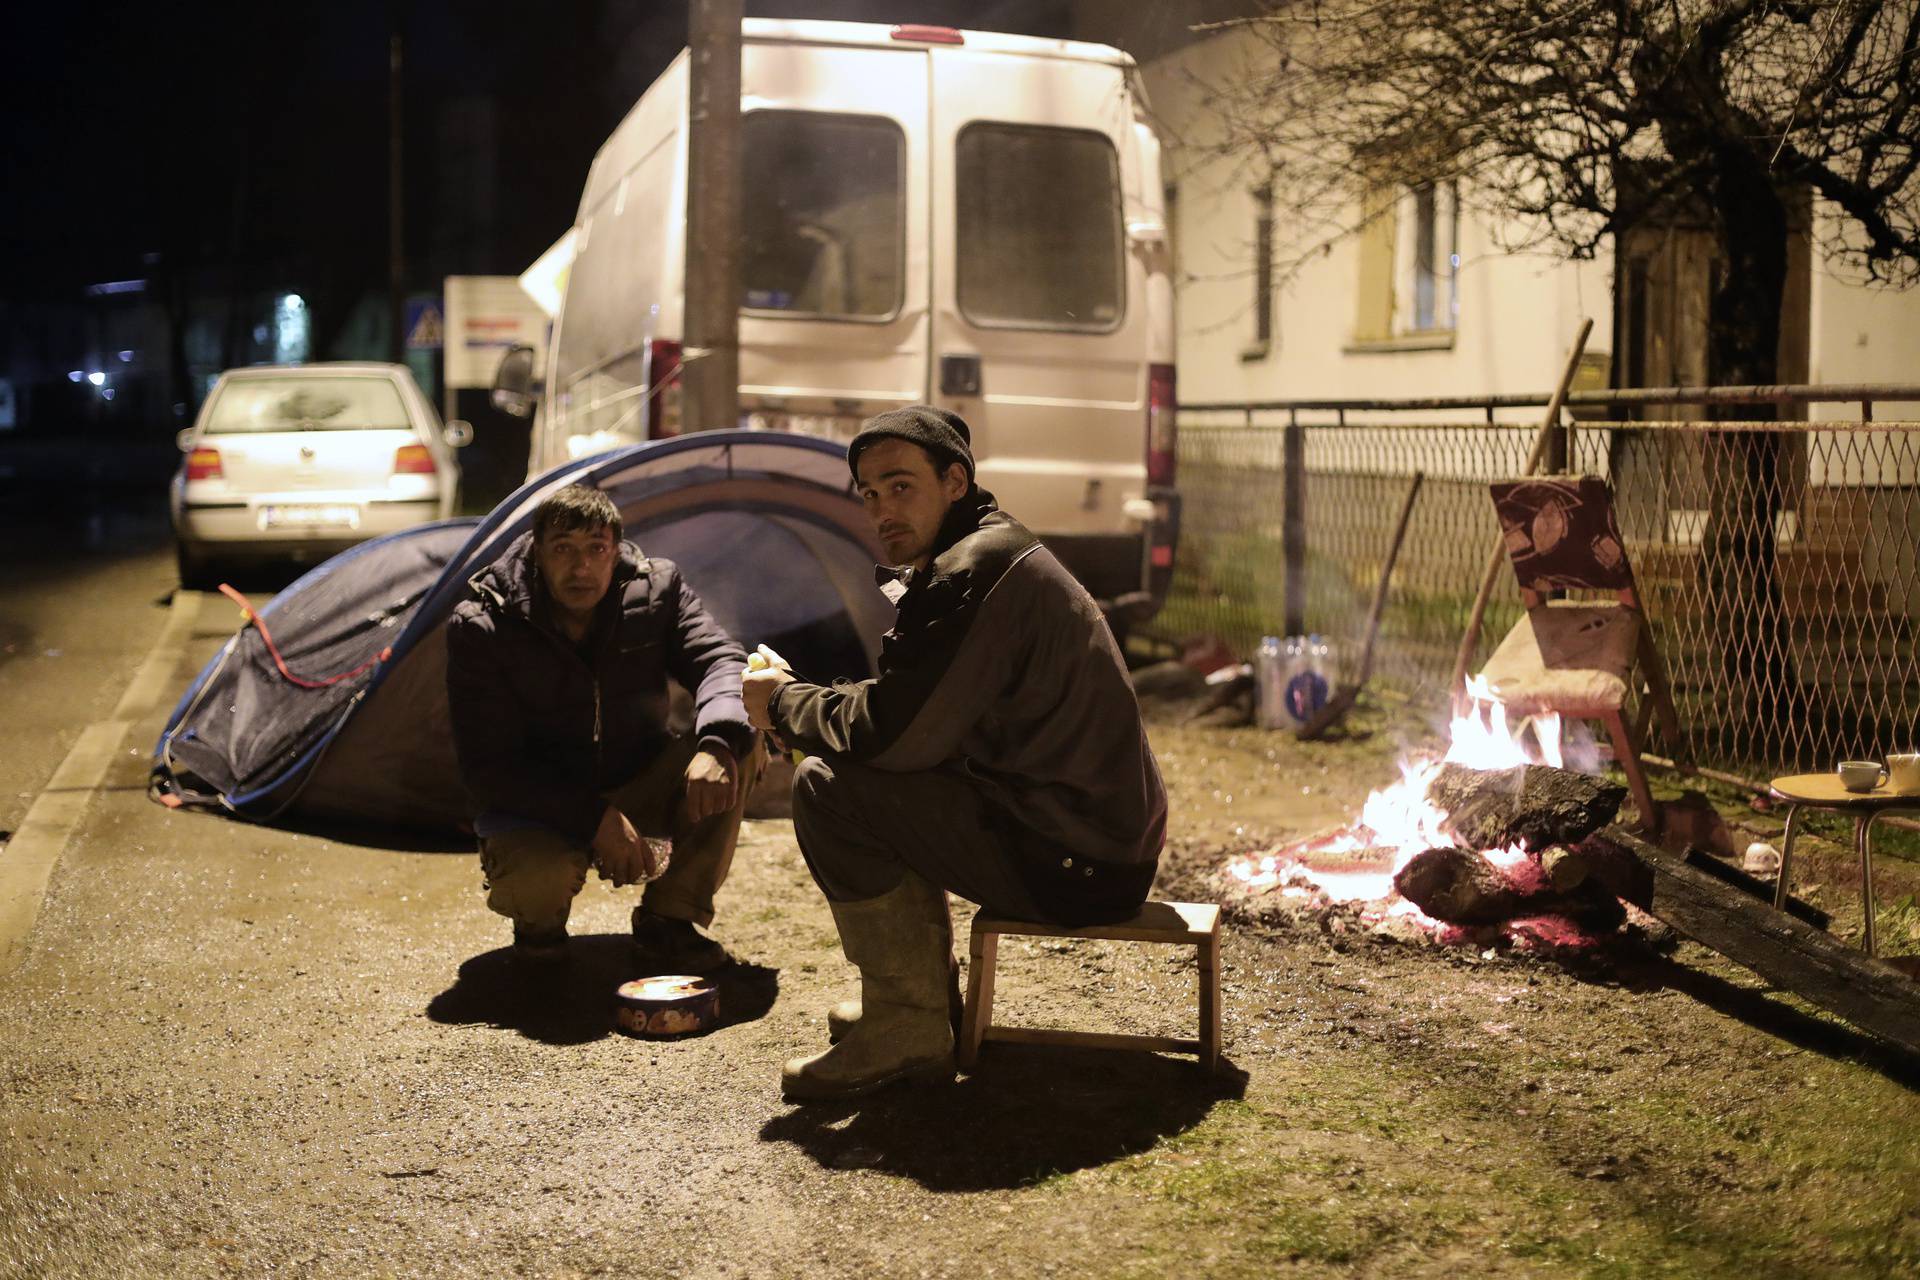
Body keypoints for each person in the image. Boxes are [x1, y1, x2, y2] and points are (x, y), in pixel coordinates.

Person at [743, 406, 1166, 1100]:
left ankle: (908, 1025)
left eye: (901, 486)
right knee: (859, 773)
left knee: (828, 785)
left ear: (956, 481)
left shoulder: (973, 572)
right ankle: (917, 1007)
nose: (882, 509)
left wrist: (784, 701)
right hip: (1090, 836)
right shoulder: (984, 553)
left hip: (1077, 857)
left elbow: (897, 735)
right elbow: (920, 709)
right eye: (870, 493)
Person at [446, 483, 759, 975]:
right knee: (536, 882)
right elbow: (488, 769)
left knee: (738, 746)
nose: (581, 568)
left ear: (616, 552)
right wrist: (596, 818)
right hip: (539, 804)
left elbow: (720, 659)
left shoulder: (656, 590)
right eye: (563, 550)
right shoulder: (487, 624)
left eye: (596, 549)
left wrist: (717, 741)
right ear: (537, 553)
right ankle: (539, 929)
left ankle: (669, 922)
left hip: (637, 774)